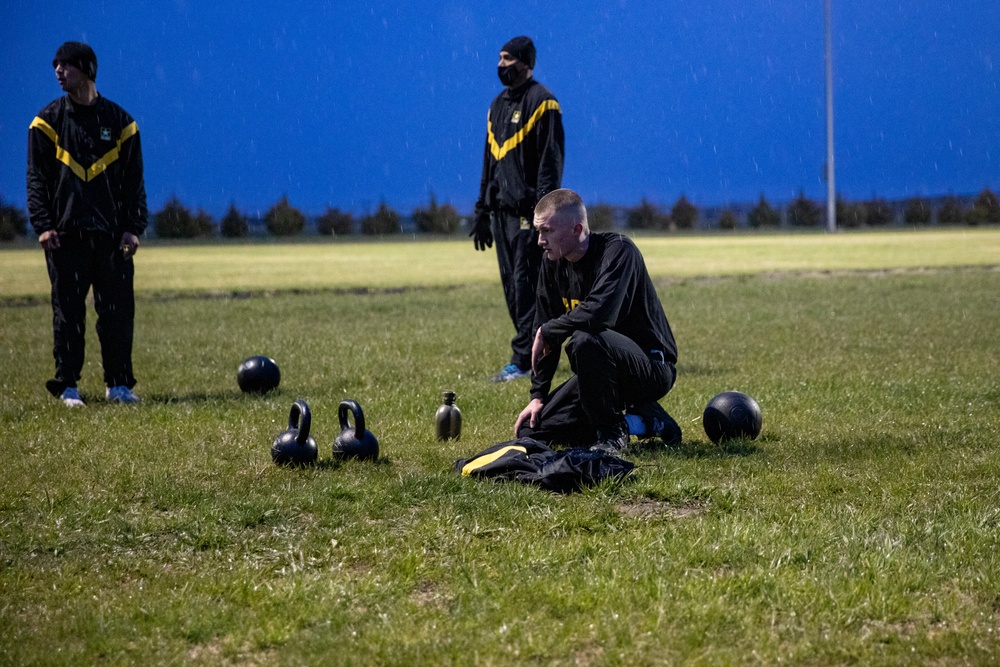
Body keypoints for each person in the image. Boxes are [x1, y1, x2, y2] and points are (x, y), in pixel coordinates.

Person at [513, 189, 682, 452]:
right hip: (598, 373)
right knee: (534, 430)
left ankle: (613, 432)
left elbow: (598, 314)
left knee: (585, 339)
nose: (539, 241)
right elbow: (544, 332)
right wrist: (537, 396)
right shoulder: (552, 263)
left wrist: (550, 330)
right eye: (538, 231)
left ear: (576, 229)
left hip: (650, 367)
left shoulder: (619, 252)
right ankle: (646, 421)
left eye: (547, 231)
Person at [27, 41, 148, 407]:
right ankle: (67, 386)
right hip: (65, 236)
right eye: (55, 66)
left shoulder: (122, 123)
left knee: (116, 314)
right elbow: (36, 180)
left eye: (65, 66)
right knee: (68, 314)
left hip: (112, 238)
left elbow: (134, 182)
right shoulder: (45, 123)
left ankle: (119, 385)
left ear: (88, 70)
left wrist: (133, 227)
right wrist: (43, 225)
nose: (58, 72)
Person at [471, 36, 564, 382]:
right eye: (499, 58)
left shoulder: (544, 103)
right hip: (501, 215)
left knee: (527, 287)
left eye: (508, 58)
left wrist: (545, 215)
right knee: (512, 287)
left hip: (529, 214)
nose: (501, 65)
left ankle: (524, 359)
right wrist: (481, 209)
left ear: (526, 63)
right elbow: (488, 162)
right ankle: (535, 349)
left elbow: (549, 165)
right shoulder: (496, 105)